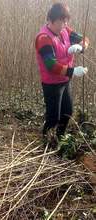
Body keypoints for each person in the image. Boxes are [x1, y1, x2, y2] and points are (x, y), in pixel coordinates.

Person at [35, 3, 89, 143]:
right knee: (53, 117)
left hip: (65, 81)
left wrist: (80, 47)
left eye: (66, 21)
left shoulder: (65, 31)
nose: (65, 24)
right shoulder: (43, 38)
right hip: (52, 84)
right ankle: (47, 140)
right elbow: (51, 65)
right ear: (51, 20)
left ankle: (59, 137)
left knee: (67, 112)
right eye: (61, 21)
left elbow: (84, 39)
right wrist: (72, 71)